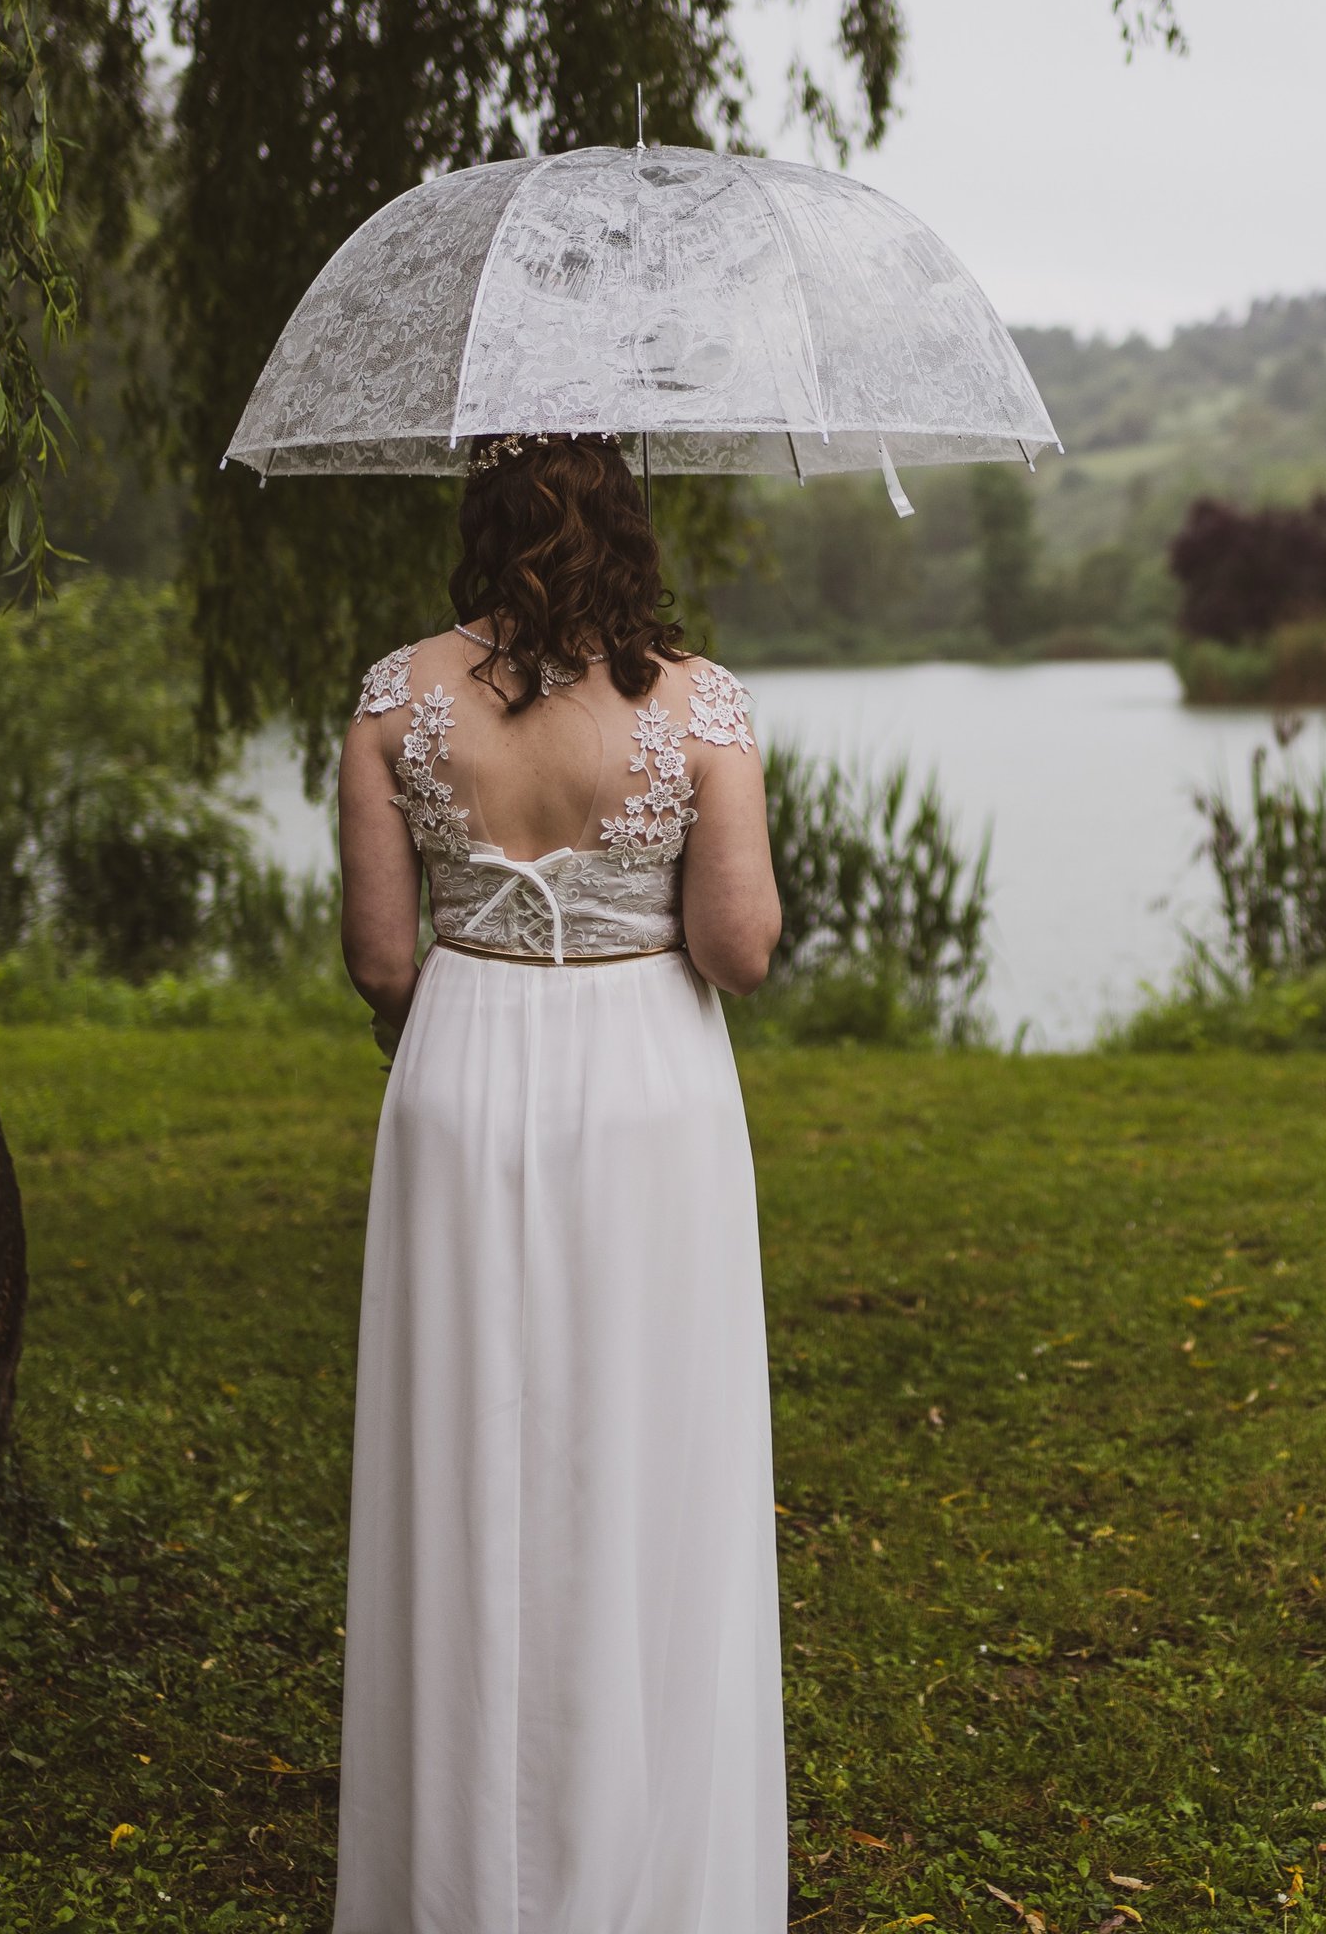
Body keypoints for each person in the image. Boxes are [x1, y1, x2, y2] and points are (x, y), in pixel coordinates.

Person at [331, 431, 785, 1934]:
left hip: (459, 1078)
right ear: (631, 536)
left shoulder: (393, 698)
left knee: (467, 1442)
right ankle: (641, 1860)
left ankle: (462, 1871)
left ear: (481, 529)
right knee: (642, 1444)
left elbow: (380, 961)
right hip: (645, 1086)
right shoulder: (702, 706)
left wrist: (469, 1004)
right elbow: (736, 951)